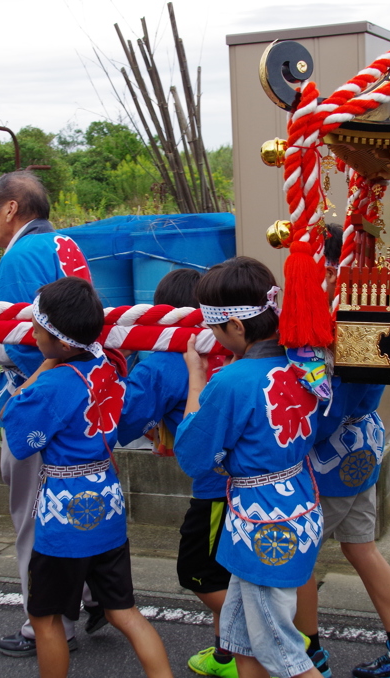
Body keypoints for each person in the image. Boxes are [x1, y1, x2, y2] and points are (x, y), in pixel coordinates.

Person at [0, 170, 103, 656]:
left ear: (10, 208)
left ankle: (47, 623)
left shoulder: (20, 254)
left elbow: (20, 344)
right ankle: (95, 592)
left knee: (33, 514)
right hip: (84, 395)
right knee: (78, 505)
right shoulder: (66, 244)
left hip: (41, 401)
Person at [0, 276, 174, 678]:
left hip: (63, 519)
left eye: (38, 329)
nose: (32, 334)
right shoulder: (105, 368)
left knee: (44, 619)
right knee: (123, 612)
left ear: (59, 343)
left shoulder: (52, 384)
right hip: (107, 506)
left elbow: (16, 431)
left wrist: (40, 372)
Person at [293, 224, 390, 678]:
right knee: (361, 549)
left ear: (331, 266)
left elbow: (325, 407)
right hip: (363, 447)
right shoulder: (373, 308)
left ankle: (309, 655)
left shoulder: (343, 321)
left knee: (301, 560)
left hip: (329, 454)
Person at [175, 256, 324, 678]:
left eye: (215, 328)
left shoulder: (234, 379)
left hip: (261, 523)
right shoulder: (307, 364)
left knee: (281, 652)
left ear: (236, 327)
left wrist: (197, 380)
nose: (212, 336)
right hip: (295, 502)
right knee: (243, 642)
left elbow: (192, 456)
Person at [117, 268, 238, 677]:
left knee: (199, 574)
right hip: (262, 482)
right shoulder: (239, 349)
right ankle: (226, 656)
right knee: (227, 571)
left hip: (216, 488)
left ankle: (259, 639)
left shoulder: (165, 363)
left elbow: (123, 422)